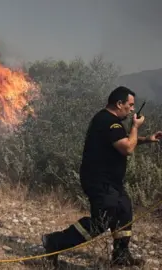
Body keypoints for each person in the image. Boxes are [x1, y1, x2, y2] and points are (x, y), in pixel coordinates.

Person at [41, 86, 162, 267]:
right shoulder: (109, 122)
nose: (132, 110)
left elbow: (121, 142)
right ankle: (55, 242)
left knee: (124, 211)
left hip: (111, 181)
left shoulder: (109, 120)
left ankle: (120, 255)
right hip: (99, 181)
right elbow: (127, 148)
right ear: (119, 103)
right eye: (130, 105)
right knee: (101, 221)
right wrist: (135, 127)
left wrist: (147, 139)